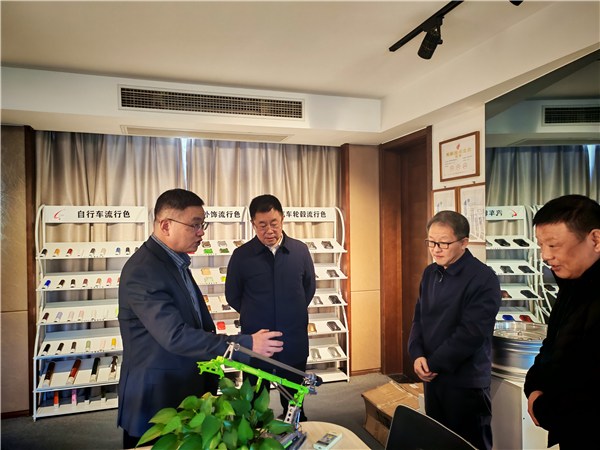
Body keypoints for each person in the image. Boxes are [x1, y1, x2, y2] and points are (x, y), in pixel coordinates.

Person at [118, 189, 284, 449]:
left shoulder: (175, 262)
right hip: (157, 400)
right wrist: (245, 344)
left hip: (183, 390)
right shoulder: (144, 271)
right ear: (166, 225)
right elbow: (175, 336)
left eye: (202, 225)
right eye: (195, 225)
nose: (201, 233)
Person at [408, 210, 501, 450]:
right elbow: (419, 318)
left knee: (468, 444)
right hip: (433, 376)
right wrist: (417, 353)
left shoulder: (483, 278)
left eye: (444, 243)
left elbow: (471, 334)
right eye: (431, 242)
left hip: (465, 380)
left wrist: (434, 364)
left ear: (464, 242)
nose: (436, 249)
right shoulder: (430, 272)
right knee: (437, 441)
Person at [225, 194, 316, 421]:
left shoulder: (299, 251)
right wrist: (257, 313)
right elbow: (233, 295)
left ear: (282, 219)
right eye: (262, 225)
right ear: (253, 224)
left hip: (292, 337)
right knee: (255, 401)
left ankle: (294, 427)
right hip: (256, 340)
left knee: (294, 399)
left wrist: (288, 311)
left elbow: (308, 288)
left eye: (274, 223)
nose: (269, 231)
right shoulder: (241, 255)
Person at [524, 194, 600, 449]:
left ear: (595, 239)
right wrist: (534, 387)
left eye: (554, 245)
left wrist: (544, 407)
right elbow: (551, 345)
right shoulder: (571, 285)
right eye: (541, 245)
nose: (545, 255)